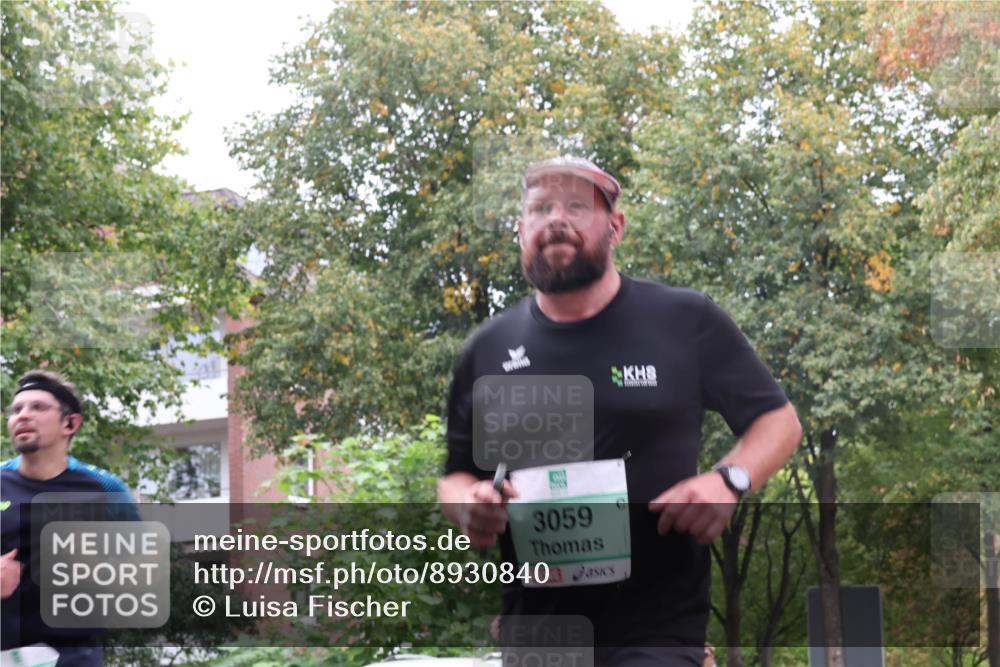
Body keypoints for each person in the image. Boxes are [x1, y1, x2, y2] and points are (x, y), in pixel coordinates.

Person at [439, 156, 802, 666]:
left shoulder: (683, 320)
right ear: (521, 230)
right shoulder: (488, 347)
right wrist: (470, 506)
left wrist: (728, 481)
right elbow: (456, 475)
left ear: (616, 227)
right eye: (541, 208)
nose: (556, 219)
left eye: (576, 206)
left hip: (658, 631)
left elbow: (779, 423)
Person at [2, 369, 137, 666]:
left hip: (75, 656)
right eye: (17, 410)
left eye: (38, 407)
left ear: (70, 423)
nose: (23, 416)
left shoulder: (105, 489)